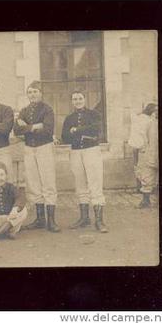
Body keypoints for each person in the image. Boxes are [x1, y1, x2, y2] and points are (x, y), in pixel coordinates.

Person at [14, 81, 60, 232]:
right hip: (29, 148)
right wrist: (35, 126)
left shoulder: (47, 110)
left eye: (35, 91)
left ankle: (51, 220)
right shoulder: (24, 110)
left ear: (41, 93)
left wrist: (26, 127)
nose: (32, 94)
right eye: (30, 92)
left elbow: (47, 130)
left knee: (48, 182)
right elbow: (16, 130)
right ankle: (40, 219)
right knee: (33, 183)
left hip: (44, 148)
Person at [61, 89, 108, 233]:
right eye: (74, 99)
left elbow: (96, 129)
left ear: (85, 99)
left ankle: (99, 221)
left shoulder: (94, 114)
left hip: (91, 151)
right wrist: (79, 132)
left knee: (95, 184)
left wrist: (77, 130)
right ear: (72, 102)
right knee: (80, 184)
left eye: (80, 98)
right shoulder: (69, 118)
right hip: (75, 152)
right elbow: (64, 136)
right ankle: (84, 218)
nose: (77, 101)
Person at [128, 103, 158, 193]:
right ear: (151, 111)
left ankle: (140, 187)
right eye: (155, 110)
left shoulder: (141, 118)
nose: (156, 112)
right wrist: (145, 146)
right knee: (142, 167)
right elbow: (143, 134)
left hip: (138, 146)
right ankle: (141, 187)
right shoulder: (147, 120)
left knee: (139, 167)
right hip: (142, 147)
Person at [135, 106, 158, 208]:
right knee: (147, 176)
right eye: (155, 111)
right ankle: (146, 201)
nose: (156, 113)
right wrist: (145, 150)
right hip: (150, 152)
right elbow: (143, 138)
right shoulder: (149, 123)